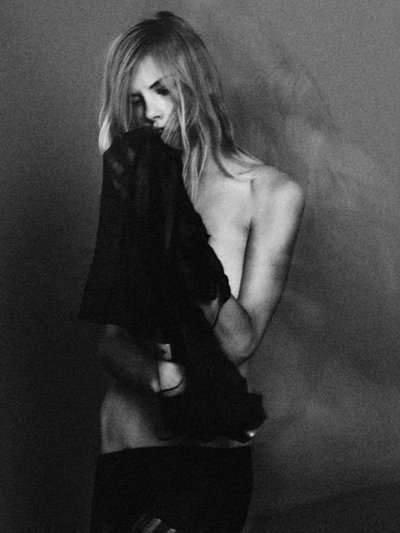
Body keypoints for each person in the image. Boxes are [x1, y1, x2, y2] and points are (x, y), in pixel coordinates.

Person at [80, 11, 304, 533]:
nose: (151, 112)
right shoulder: (138, 182)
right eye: (136, 100)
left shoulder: (271, 193)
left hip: (203, 462)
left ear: (195, 83)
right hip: (124, 449)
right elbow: (110, 342)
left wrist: (180, 237)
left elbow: (240, 343)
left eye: (162, 90)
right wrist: (157, 379)